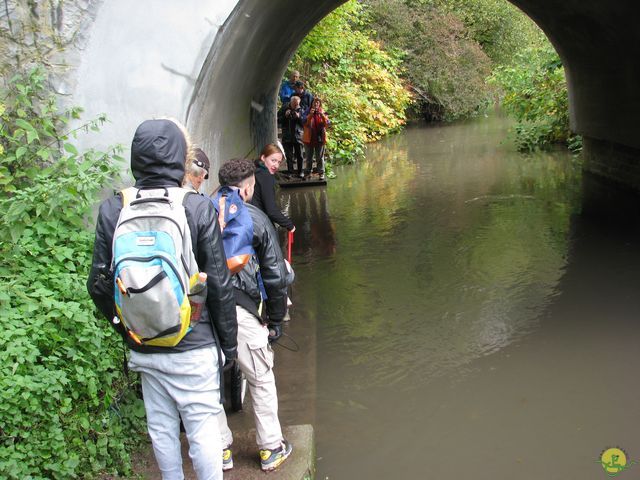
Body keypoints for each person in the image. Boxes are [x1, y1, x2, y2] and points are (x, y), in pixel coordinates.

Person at [87, 118, 237, 480]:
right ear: (180, 160)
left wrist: (128, 326)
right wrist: (229, 346)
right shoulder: (197, 207)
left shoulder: (114, 208)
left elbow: (97, 284)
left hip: (145, 344)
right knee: (202, 428)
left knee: (162, 428)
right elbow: (218, 284)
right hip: (194, 343)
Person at [214, 158, 293, 472]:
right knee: (260, 379)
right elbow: (274, 275)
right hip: (241, 311)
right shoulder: (255, 218)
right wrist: (274, 321)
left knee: (209, 382)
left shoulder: (199, 211)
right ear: (248, 187)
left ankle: (220, 450)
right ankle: (270, 448)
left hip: (204, 310)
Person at [251, 143, 295, 232]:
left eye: (279, 162)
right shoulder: (266, 176)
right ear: (263, 158)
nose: (276, 165)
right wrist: (289, 224)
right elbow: (271, 210)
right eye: (273, 160)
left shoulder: (255, 170)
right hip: (258, 223)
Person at [302, 97, 329, 180]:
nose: (316, 104)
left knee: (319, 157)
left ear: (320, 104)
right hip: (308, 138)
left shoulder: (323, 112)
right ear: (312, 103)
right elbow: (304, 123)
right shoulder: (307, 111)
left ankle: (321, 173)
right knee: (309, 158)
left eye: (318, 103)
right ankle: (308, 173)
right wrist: (310, 115)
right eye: (314, 102)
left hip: (319, 139)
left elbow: (327, 124)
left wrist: (322, 115)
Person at [278, 95, 304, 176]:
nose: (296, 106)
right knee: (289, 155)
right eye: (294, 104)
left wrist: (299, 117)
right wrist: (285, 116)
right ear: (291, 102)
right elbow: (278, 120)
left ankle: (301, 171)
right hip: (287, 135)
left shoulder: (301, 109)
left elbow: (305, 124)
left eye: (297, 104)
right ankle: (290, 171)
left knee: (299, 155)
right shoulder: (284, 108)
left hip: (298, 135)